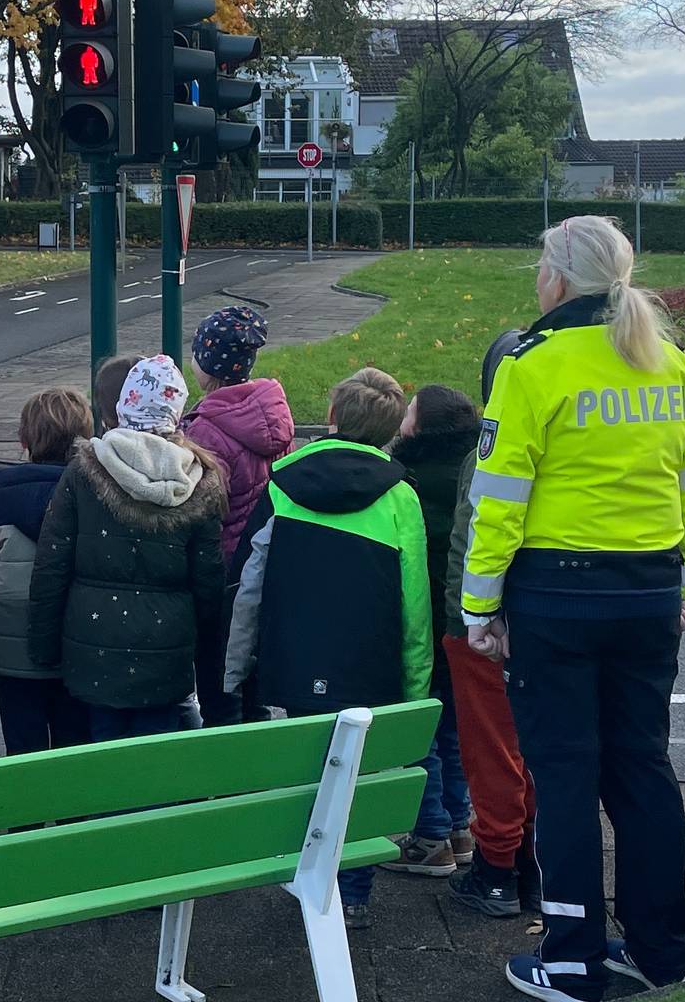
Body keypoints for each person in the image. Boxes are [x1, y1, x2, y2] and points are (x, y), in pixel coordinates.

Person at [465, 215, 685, 1002]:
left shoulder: (534, 363)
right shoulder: (671, 364)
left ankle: (571, 955)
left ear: (558, 281)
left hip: (557, 595)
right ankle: (660, 949)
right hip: (647, 588)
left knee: (565, 775)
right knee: (643, 768)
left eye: (541, 264)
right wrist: (676, 580)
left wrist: (480, 605)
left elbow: (499, 497)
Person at [224, 367, 430, 931]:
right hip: (370, 666)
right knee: (358, 779)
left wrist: (237, 667)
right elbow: (414, 605)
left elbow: (249, 583)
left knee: (307, 769)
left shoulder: (283, 484)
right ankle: (352, 893)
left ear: (333, 417)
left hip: (293, 658)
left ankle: (303, 874)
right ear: (391, 430)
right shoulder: (399, 497)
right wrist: (416, 688)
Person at [27, 355, 229, 741]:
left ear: (123, 406)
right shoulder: (200, 478)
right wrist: (204, 652)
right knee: (156, 755)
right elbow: (208, 580)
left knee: (102, 750)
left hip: (93, 647)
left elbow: (52, 565)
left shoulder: (85, 470)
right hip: (166, 650)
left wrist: (45, 645)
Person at [446, 344, 542, 921]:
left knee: (492, 753)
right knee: (534, 748)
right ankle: (531, 859)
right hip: (545, 617)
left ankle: (497, 870)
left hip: (483, 622)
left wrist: (473, 617)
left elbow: (473, 539)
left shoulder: (488, 448)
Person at [0, 387, 94, 755]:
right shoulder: (94, 498)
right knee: (75, 742)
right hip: (77, 640)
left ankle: (28, 809)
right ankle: (75, 813)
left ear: (23, 439)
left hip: (12, 647)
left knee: (22, 743)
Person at [383, 384, 483, 878]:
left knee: (421, 725)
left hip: (424, 621)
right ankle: (461, 826)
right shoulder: (475, 470)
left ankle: (430, 834)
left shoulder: (407, 480)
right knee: (456, 727)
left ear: (420, 427)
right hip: (467, 619)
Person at [184, 306, 294, 726]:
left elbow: (200, 504)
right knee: (251, 681)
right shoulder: (271, 412)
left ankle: (228, 779)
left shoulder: (205, 431)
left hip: (221, 570)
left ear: (206, 364)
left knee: (218, 685)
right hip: (263, 563)